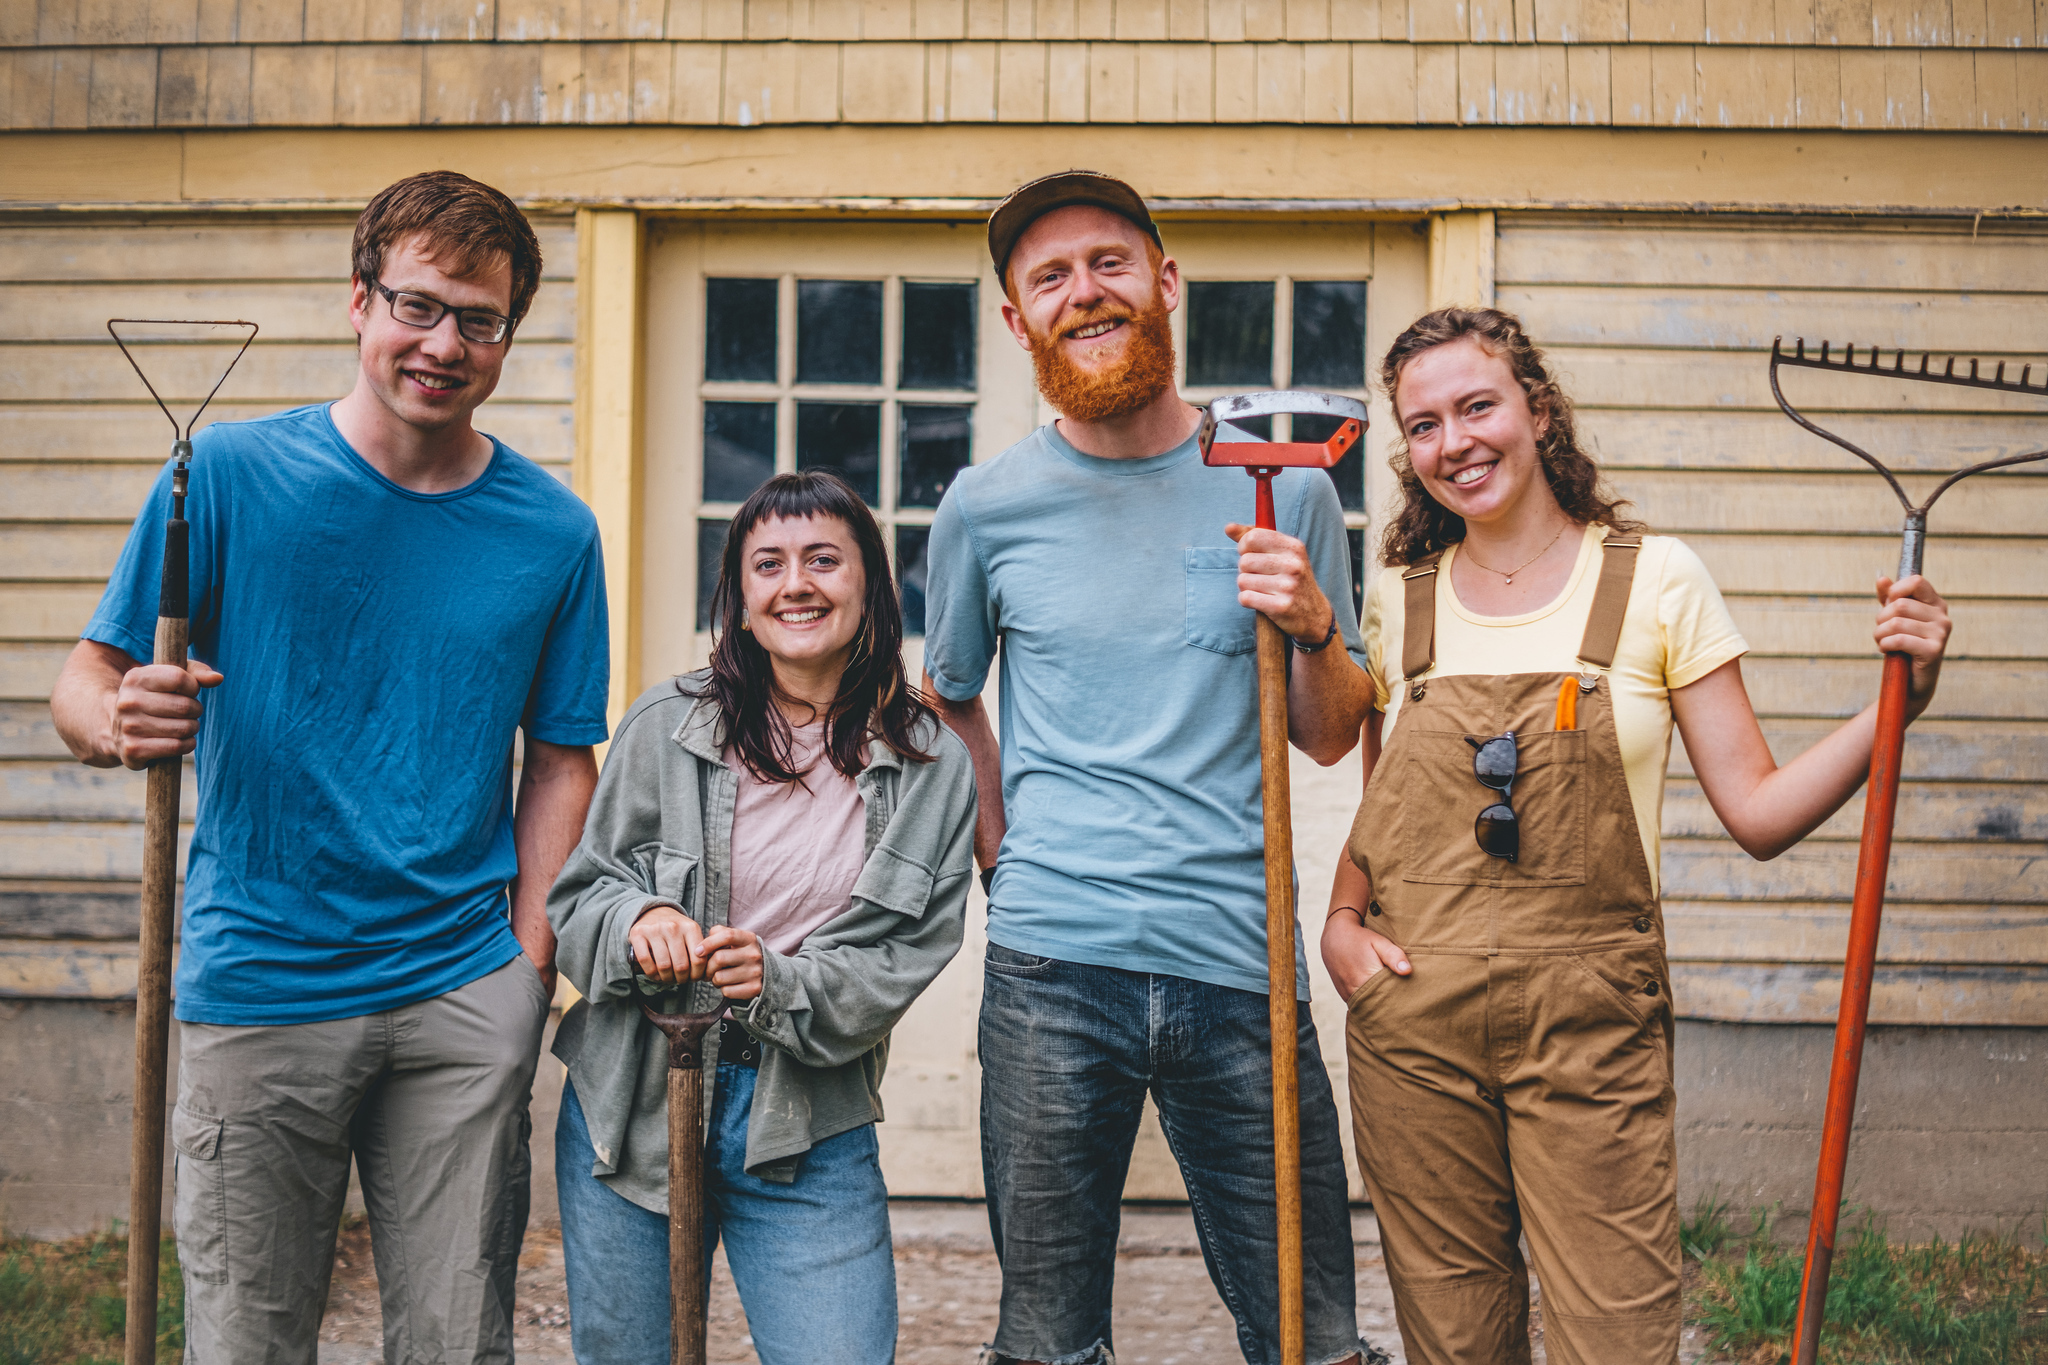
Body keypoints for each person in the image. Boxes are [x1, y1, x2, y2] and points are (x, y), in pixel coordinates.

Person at [1322, 306, 1954, 1365]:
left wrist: (1899, 704)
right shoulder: (1399, 596)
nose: (1454, 442)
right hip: (1411, 1018)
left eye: (1477, 406)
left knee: (1612, 1333)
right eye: (1422, 425)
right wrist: (1340, 921)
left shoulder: (1655, 578)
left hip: (1587, 1020)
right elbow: (1386, 806)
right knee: (1452, 1337)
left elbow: (1756, 813)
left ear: (1536, 409)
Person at [49, 171, 608, 1361]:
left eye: (479, 319)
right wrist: (118, 722)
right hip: (261, 980)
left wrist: (526, 968)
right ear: (358, 302)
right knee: (247, 1339)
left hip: (464, 987)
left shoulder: (552, 532)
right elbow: (84, 682)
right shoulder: (229, 479)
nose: (443, 343)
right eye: (417, 305)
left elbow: (562, 759)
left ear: (509, 334)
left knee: (457, 1341)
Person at [923, 170, 1389, 1365]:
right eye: (1050, 278)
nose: (1086, 293)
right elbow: (953, 699)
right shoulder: (985, 507)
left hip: (1240, 962)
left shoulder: (1284, 483)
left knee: (1310, 1331)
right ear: (1017, 319)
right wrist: (1004, 863)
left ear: (1164, 283)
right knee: (1044, 1340)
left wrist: (1311, 628)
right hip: (1052, 966)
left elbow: (1331, 732)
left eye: (1110, 263)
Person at [547, 470, 977, 1364]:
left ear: (871, 587)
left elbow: (905, 952)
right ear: (740, 600)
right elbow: (578, 895)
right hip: (633, 1100)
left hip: (804, 1121)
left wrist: (777, 981)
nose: (797, 584)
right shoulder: (666, 723)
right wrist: (638, 919)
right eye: (769, 564)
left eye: (825, 559)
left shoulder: (931, 762)